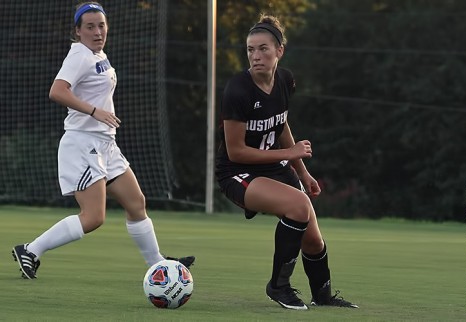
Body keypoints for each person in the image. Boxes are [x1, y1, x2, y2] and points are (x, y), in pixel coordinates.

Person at [11, 2, 194, 280]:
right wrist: (95, 111)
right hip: (83, 144)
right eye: (90, 26)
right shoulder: (80, 55)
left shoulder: (99, 55)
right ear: (78, 31)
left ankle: (158, 265)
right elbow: (57, 91)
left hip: (105, 145)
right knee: (94, 217)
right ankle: (31, 250)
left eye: (101, 25)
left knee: (136, 203)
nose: (98, 31)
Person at [215, 14, 357, 310]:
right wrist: (289, 155)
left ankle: (322, 296)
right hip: (237, 173)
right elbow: (236, 152)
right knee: (299, 206)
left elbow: (280, 125)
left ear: (279, 51)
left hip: (273, 168)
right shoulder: (237, 90)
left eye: (263, 48)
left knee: (314, 241)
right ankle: (278, 286)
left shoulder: (285, 80)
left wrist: (302, 172)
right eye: (250, 49)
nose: (256, 56)